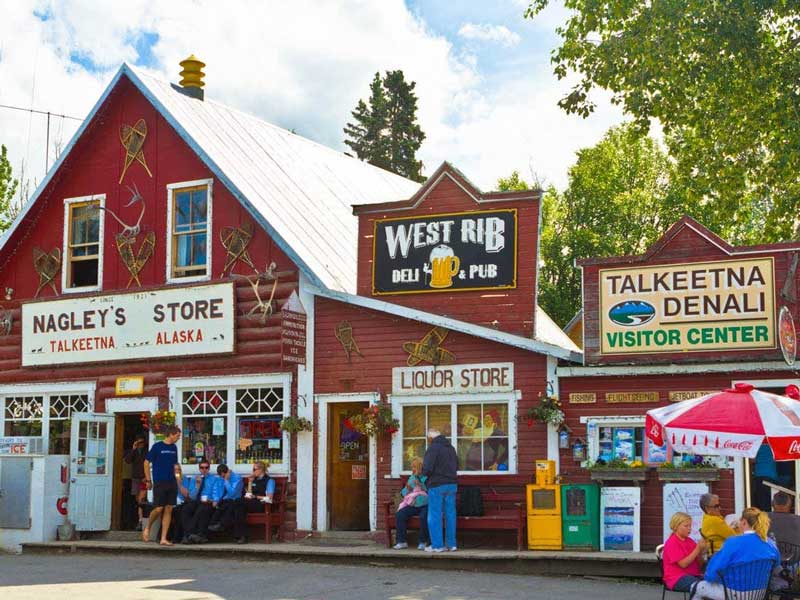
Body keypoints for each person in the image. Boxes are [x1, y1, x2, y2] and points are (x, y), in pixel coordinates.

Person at [697, 507, 780, 599]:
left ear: (743, 522)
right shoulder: (770, 544)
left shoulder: (733, 542)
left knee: (697, 587)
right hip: (760, 594)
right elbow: (776, 567)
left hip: (734, 593)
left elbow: (712, 572)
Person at [142, 425, 181, 545]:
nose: (178, 438)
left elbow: (175, 465)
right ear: (171, 434)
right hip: (160, 481)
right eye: (177, 436)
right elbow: (146, 462)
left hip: (172, 482)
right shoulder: (157, 446)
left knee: (169, 509)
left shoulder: (174, 448)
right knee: (159, 508)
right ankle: (148, 527)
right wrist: (149, 480)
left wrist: (179, 478)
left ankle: (163, 538)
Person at [422, 427, 458, 553]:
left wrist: (424, 477)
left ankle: (437, 545)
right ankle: (451, 544)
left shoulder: (433, 448)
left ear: (430, 438)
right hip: (452, 484)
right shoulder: (451, 448)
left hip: (437, 485)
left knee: (434, 515)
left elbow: (426, 469)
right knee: (450, 515)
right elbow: (457, 465)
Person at [662, 512, 707, 593]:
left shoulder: (690, 541)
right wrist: (697, 549)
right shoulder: (672, 542)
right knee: (704, 587)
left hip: (693, 575)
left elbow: (700, 565)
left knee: (714, 583)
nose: (689, 528)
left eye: (690, 526)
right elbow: (683, 564)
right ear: (676, 526)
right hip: (676, 578)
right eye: (686, 526)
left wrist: (701, 551)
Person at [393, 457, 429, 550]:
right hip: (413, 504)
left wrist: (421, 485)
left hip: (425, 504)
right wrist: (407, 490)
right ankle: (401, 541)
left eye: (414, 467)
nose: (412, 469)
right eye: (412, 467)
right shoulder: (412, 477)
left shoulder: (427, 477)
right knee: (400, 514)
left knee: (423, 516)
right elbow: (404, 493)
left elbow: (430, 491)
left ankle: (423, 541)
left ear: (420, 467)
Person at [207, 464, 247, 543]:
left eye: (223, 476)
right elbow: (220, 492)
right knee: (220, 506)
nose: (222, 477)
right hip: (228, 500)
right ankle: (214, 526)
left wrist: (226, 480)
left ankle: (221, 525)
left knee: (233, 507)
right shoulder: (221, 478)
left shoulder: (237, 478)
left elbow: (232, 493)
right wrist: (216, 500)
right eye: (221, 476)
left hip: (237, 500)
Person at [181, 458, 217, 544]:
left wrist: (211, 500)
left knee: (201, 509)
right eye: (202, 468)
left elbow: (217, 495)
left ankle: (189, 535)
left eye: (206, 468)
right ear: (199, 468)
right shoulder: (194, 479)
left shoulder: (214, 479)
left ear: (209, 468)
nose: (204, 470)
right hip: (196, 501)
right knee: (186, 509)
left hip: (208, 502)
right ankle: (190, 535)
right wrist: (197, 486)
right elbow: (192, 496)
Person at [124, 433, 147, 531]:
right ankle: (140, 520)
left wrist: (147, 476)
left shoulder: (147, 450)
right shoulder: (134, 451)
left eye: (142, 442)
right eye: (139, 442)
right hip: (136, 478)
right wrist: (133, 448)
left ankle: (141, 521)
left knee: (142, 499)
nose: (140, 444)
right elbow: (128, 461)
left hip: (145, 478)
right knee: (138, 500)